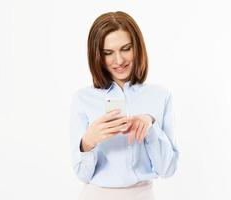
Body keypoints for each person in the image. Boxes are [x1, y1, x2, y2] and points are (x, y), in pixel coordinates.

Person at [69, 11, 179, 200]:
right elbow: (82, 175)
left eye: (126, 48)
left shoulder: (160, 96)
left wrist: (150, 127)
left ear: (137, 47)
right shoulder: (83, 99)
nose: (119, 61)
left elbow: (167, 170)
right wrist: (88, 142)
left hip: (143, 194)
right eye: (108, 53)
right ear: (97, 55)